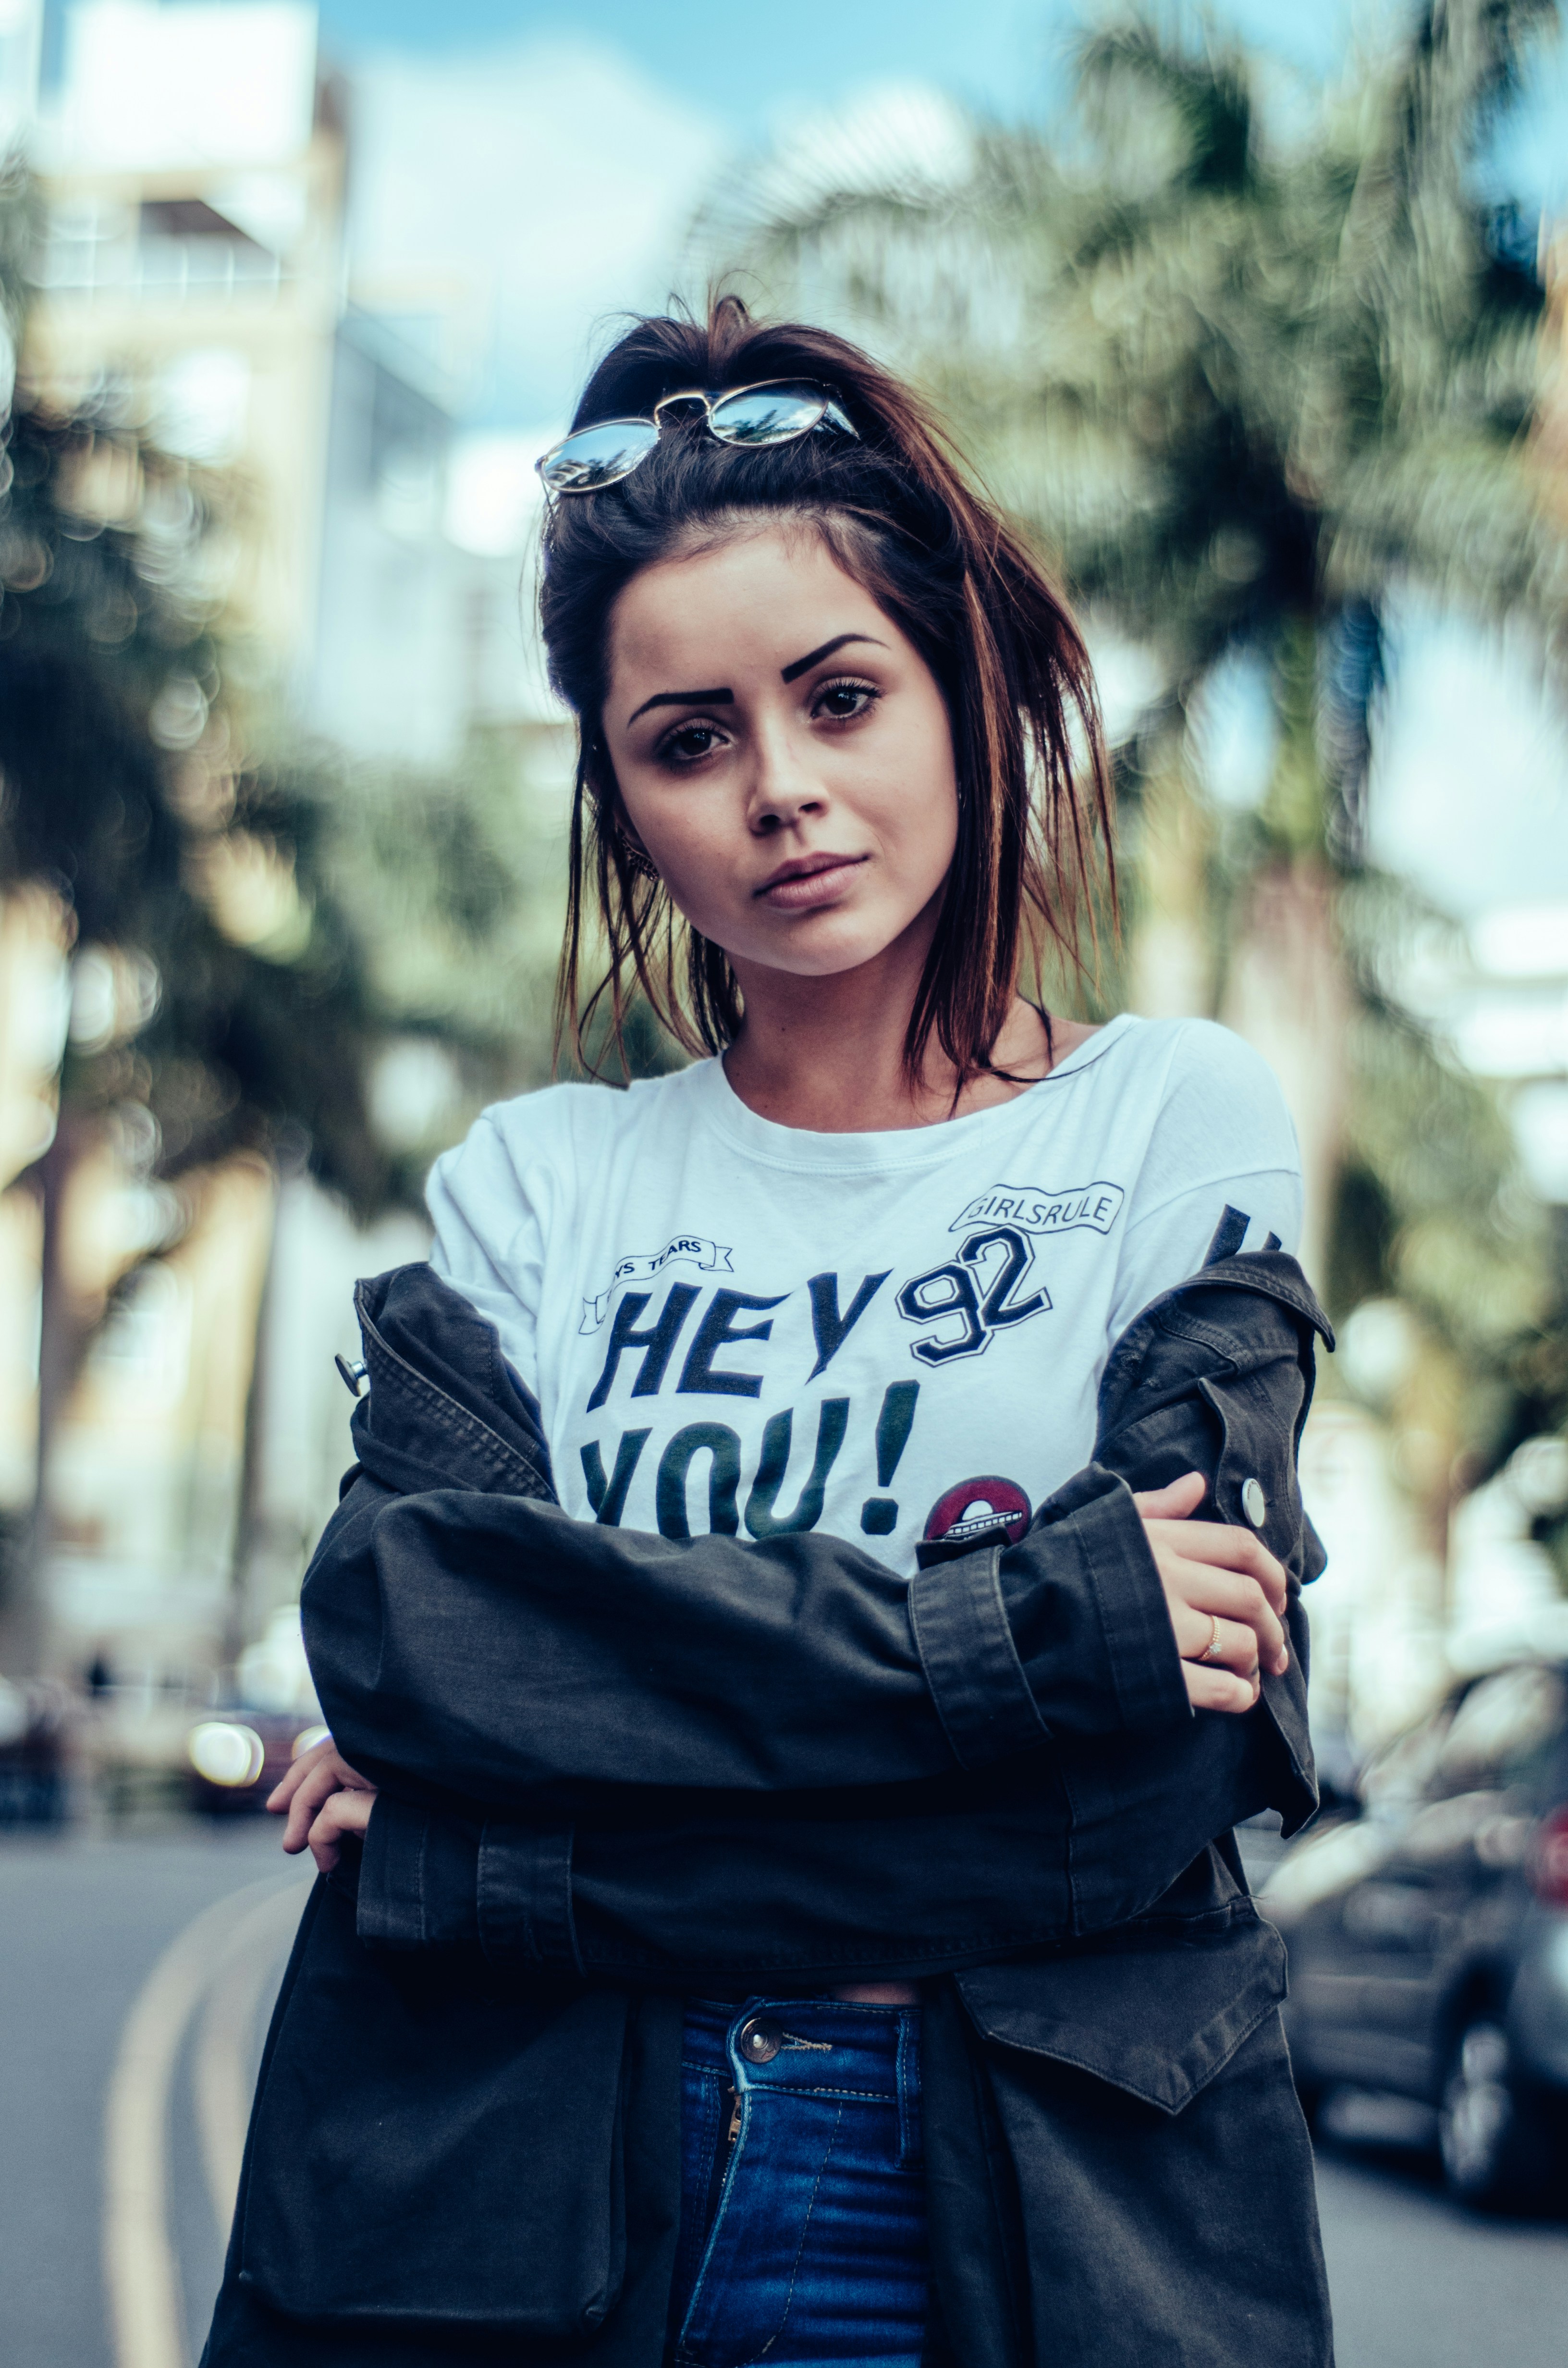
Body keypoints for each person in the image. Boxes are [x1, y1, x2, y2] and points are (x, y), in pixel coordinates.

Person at [203, 300, 1334, 2368]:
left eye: (840, 696)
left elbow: (1135, 1793)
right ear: (623, 794)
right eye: (691, 737)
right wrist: (1029, 1628)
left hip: (1027, 2206)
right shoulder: (538, 1183)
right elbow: (413, 1631)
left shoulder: (1174, 1121)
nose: (783, 790)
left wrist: (481, 1848)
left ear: (960, 694)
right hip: (517, 2189)